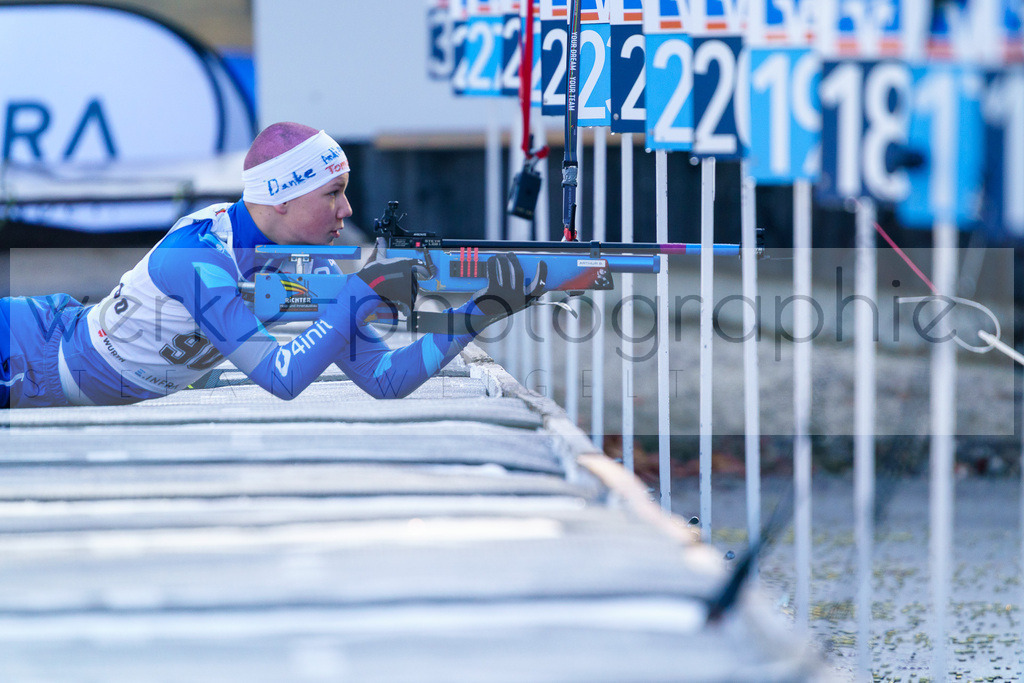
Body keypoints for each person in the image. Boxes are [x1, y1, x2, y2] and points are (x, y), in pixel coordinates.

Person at [0, 122, 544, 409]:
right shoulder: (197, 257)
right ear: (283, 197)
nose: (347, 210)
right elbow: (280, 379)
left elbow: (385, 380)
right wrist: (362, 293)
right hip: (26, 346)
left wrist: (487, 306)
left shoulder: (312, 266)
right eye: (333, 193)